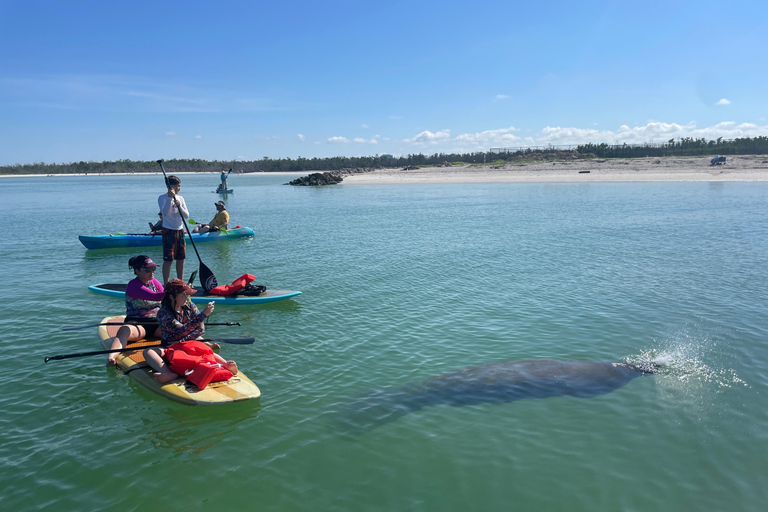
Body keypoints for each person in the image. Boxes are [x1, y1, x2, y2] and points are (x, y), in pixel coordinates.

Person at [145, 279, 236, 384]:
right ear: (171, 297)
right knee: (148, 352)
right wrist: (203, 315)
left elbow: (201, 329)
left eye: (187, 295)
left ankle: (225, 364)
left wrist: (184, 339)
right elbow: (180, 330)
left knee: (202, 347)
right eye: (183, 295)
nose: (187, 298)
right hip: (169, 346)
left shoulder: (190, 306)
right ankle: (167, 372)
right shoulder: (164, 313)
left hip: (187, 342)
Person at [106, 255, 164, 366]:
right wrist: (175, 290)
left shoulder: (155, 282)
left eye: (153, 269)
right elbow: (157, 297)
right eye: (147, 270)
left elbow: (164, 297)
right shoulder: (133, 285)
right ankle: (112, 357)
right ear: (136, 271)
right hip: (138, 324)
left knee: (178, 327)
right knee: (124, 330)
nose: (152, 272)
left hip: (157, 323)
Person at [158, 175, 189, 283]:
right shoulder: (162, 198)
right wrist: (170, 198)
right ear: (168, 186)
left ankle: (180, 282)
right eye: (175, 186)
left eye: (179, 186)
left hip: (180, 230)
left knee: (181, 258)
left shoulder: (181, 198)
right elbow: (165, 213)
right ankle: (166, 283)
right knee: (168, 259)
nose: (178, 188)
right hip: (168, 231)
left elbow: (186, 216)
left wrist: (179, 205)